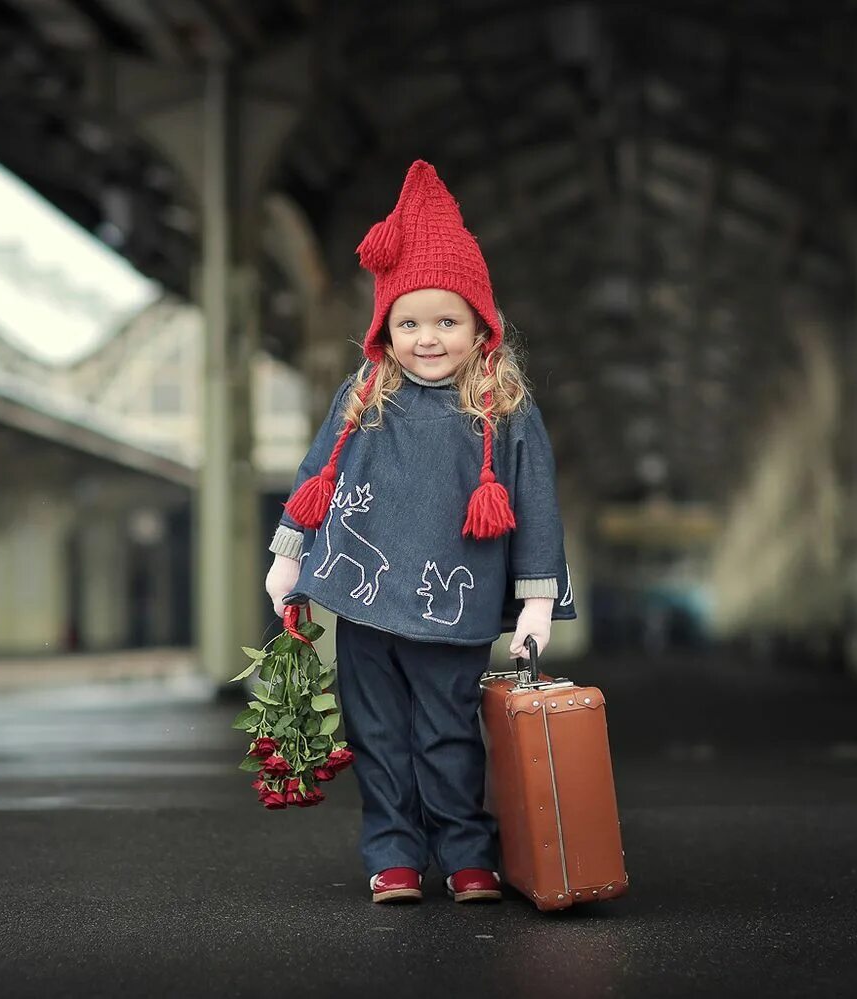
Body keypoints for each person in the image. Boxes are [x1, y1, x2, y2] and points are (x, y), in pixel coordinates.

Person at [263, 159, 576, 905]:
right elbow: (319, 474)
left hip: (453, 608)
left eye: (446, 322)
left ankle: (466, 849)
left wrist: (535, 604)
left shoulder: (505, 409)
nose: (426, 338)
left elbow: (535, 505)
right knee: (376, 732)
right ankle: (394, 852)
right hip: (365, 606)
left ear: (479, 325)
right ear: (385, 328)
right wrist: (288, 554)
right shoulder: (365, 394)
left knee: (447, 734)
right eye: (408, 323)